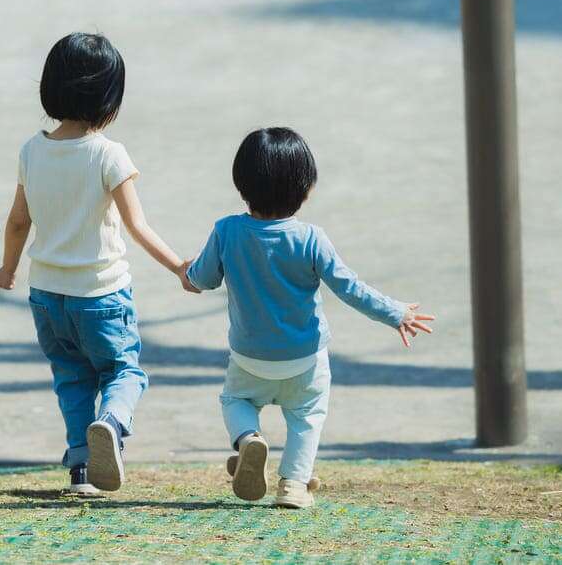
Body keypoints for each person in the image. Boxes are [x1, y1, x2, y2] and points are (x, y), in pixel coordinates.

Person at [182, 127, 434, 508]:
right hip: (305, 361)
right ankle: (294, 485)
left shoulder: (226, 231)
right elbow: (350, 289)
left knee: (235, 399)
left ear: (241, 184)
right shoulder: (312, 238)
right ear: (306, 188)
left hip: (249, 359)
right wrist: (395, 313)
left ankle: (249, 439)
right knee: (307, 415)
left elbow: (201, 279)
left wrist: (186, 273)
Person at [0, 32, 195, 495]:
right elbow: (137, 225)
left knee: (71, 378)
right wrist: (178, 267)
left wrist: (8, 268)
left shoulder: (32, 150)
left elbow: (18, 221)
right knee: (123, 371)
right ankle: (112, 422)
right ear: (109, 98)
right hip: (101, 295)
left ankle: (81, 470)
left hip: (46, 296)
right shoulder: (108, 153)